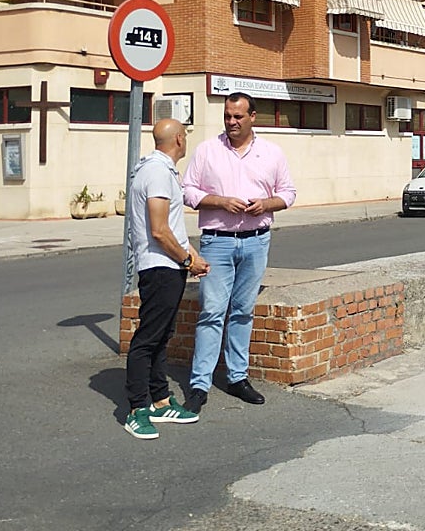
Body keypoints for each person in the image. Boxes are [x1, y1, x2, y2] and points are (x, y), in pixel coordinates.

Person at [183, 92, 296, 413]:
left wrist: (266, 203)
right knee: (211, 312)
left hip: (256, 240)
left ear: (252, 117)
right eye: (227, 116)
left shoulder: (272, 153)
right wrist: (220, 201)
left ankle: (237, 377)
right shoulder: (207, 150)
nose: (231, 122)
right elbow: (188, 190)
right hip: (217, 241)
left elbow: (288, 192)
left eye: (238, 117)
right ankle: (199, 383)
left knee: (243, 311)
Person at [124, 118, 210, 440]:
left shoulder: (160, 170)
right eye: (185, 135)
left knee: (161, 335)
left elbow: (171, 227)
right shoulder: (158, 172)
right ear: (177, 139)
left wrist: (192, 257)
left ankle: (160, 400)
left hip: (168, 266)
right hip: (160, 267)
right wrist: (186, 259)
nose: (186, 140)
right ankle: (136, 409)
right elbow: (159, 230)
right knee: (148, 338)